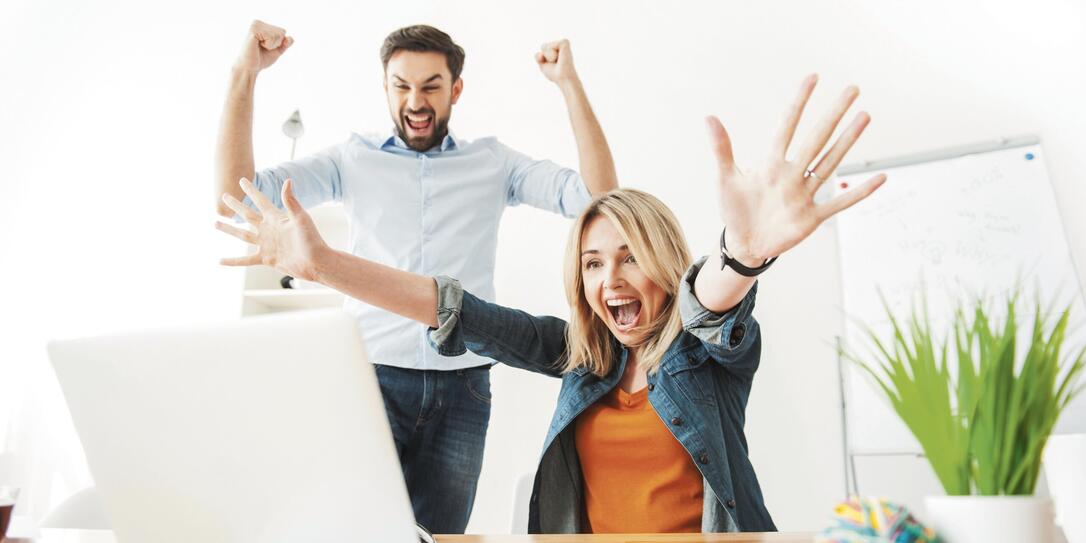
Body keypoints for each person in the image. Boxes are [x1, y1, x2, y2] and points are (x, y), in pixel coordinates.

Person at [215, 74, 885, 533]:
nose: (610, 280)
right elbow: (452, 308)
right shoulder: (578, 355)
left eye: (629, 257)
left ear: (663, 261)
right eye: (593, 263)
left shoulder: (704, 360)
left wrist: (744, 254)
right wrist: (325, 264)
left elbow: (708, 304)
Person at [213, 20, 618, 534]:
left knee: (441, 536)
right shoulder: (351, 159)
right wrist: (244, 72)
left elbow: (601, 201)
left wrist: (569, 84)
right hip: (370, 379)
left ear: (456, 89)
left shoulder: (492, 163)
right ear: (386, 89)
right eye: (402, 86)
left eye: (430, 85)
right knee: (357, 532)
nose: (416, 100)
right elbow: (236, 195)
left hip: (463, 389)